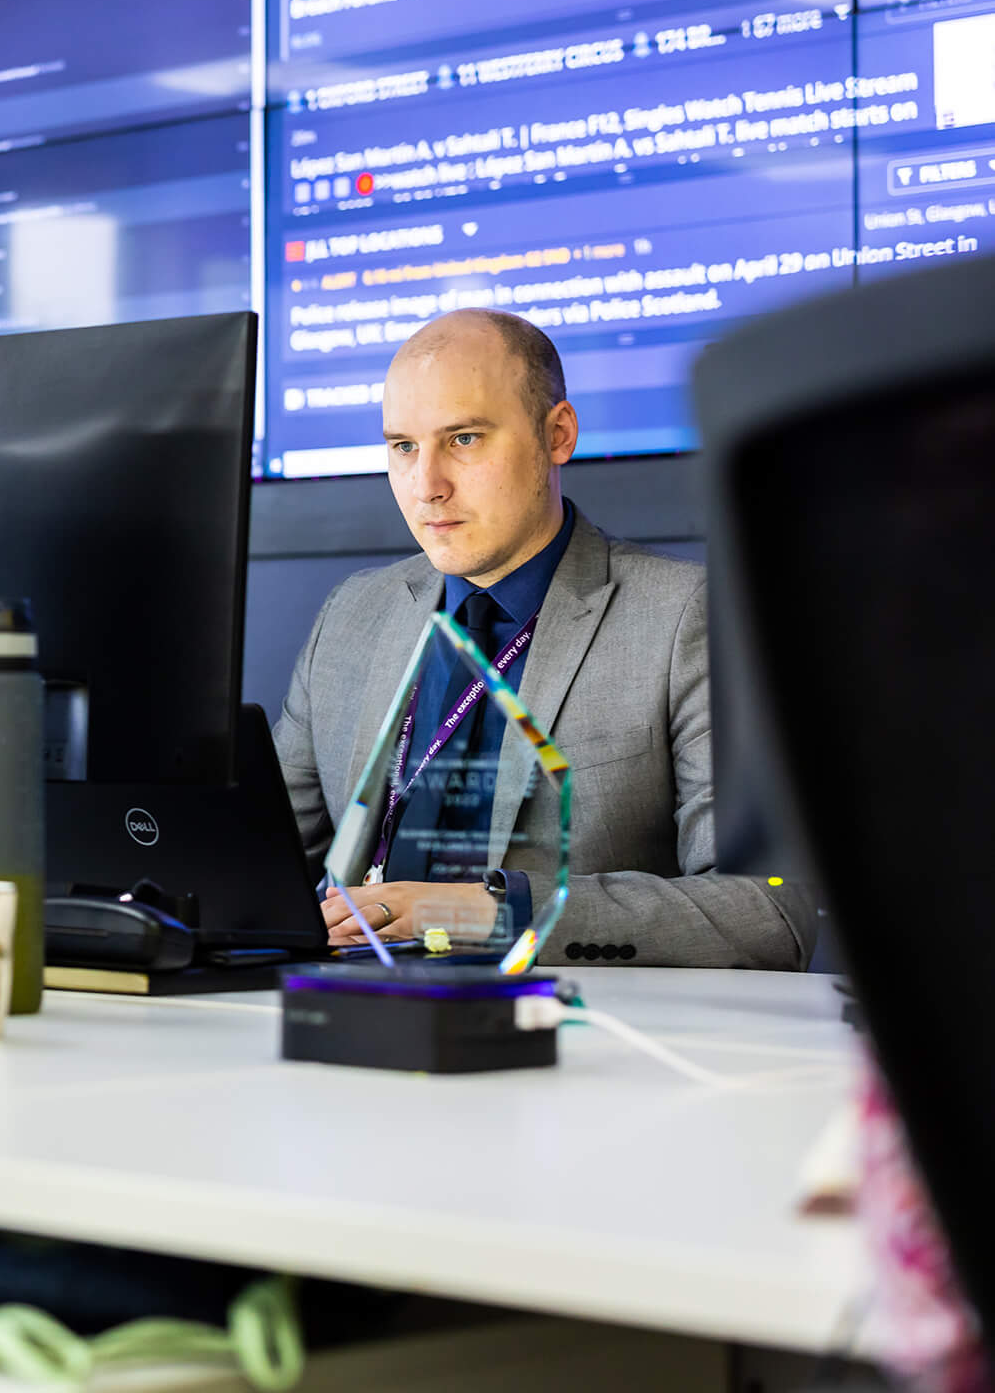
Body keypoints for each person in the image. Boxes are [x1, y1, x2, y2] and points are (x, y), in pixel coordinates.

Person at [272, 308, 809, 969]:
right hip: (349, 1017)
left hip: (567, 1038)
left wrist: (488, 913)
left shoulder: (682, 617)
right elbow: (254, 875)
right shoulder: (352, 615)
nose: (426, 486)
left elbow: (770, 911)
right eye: (403, 446)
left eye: (464, 439)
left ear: (558, 434)